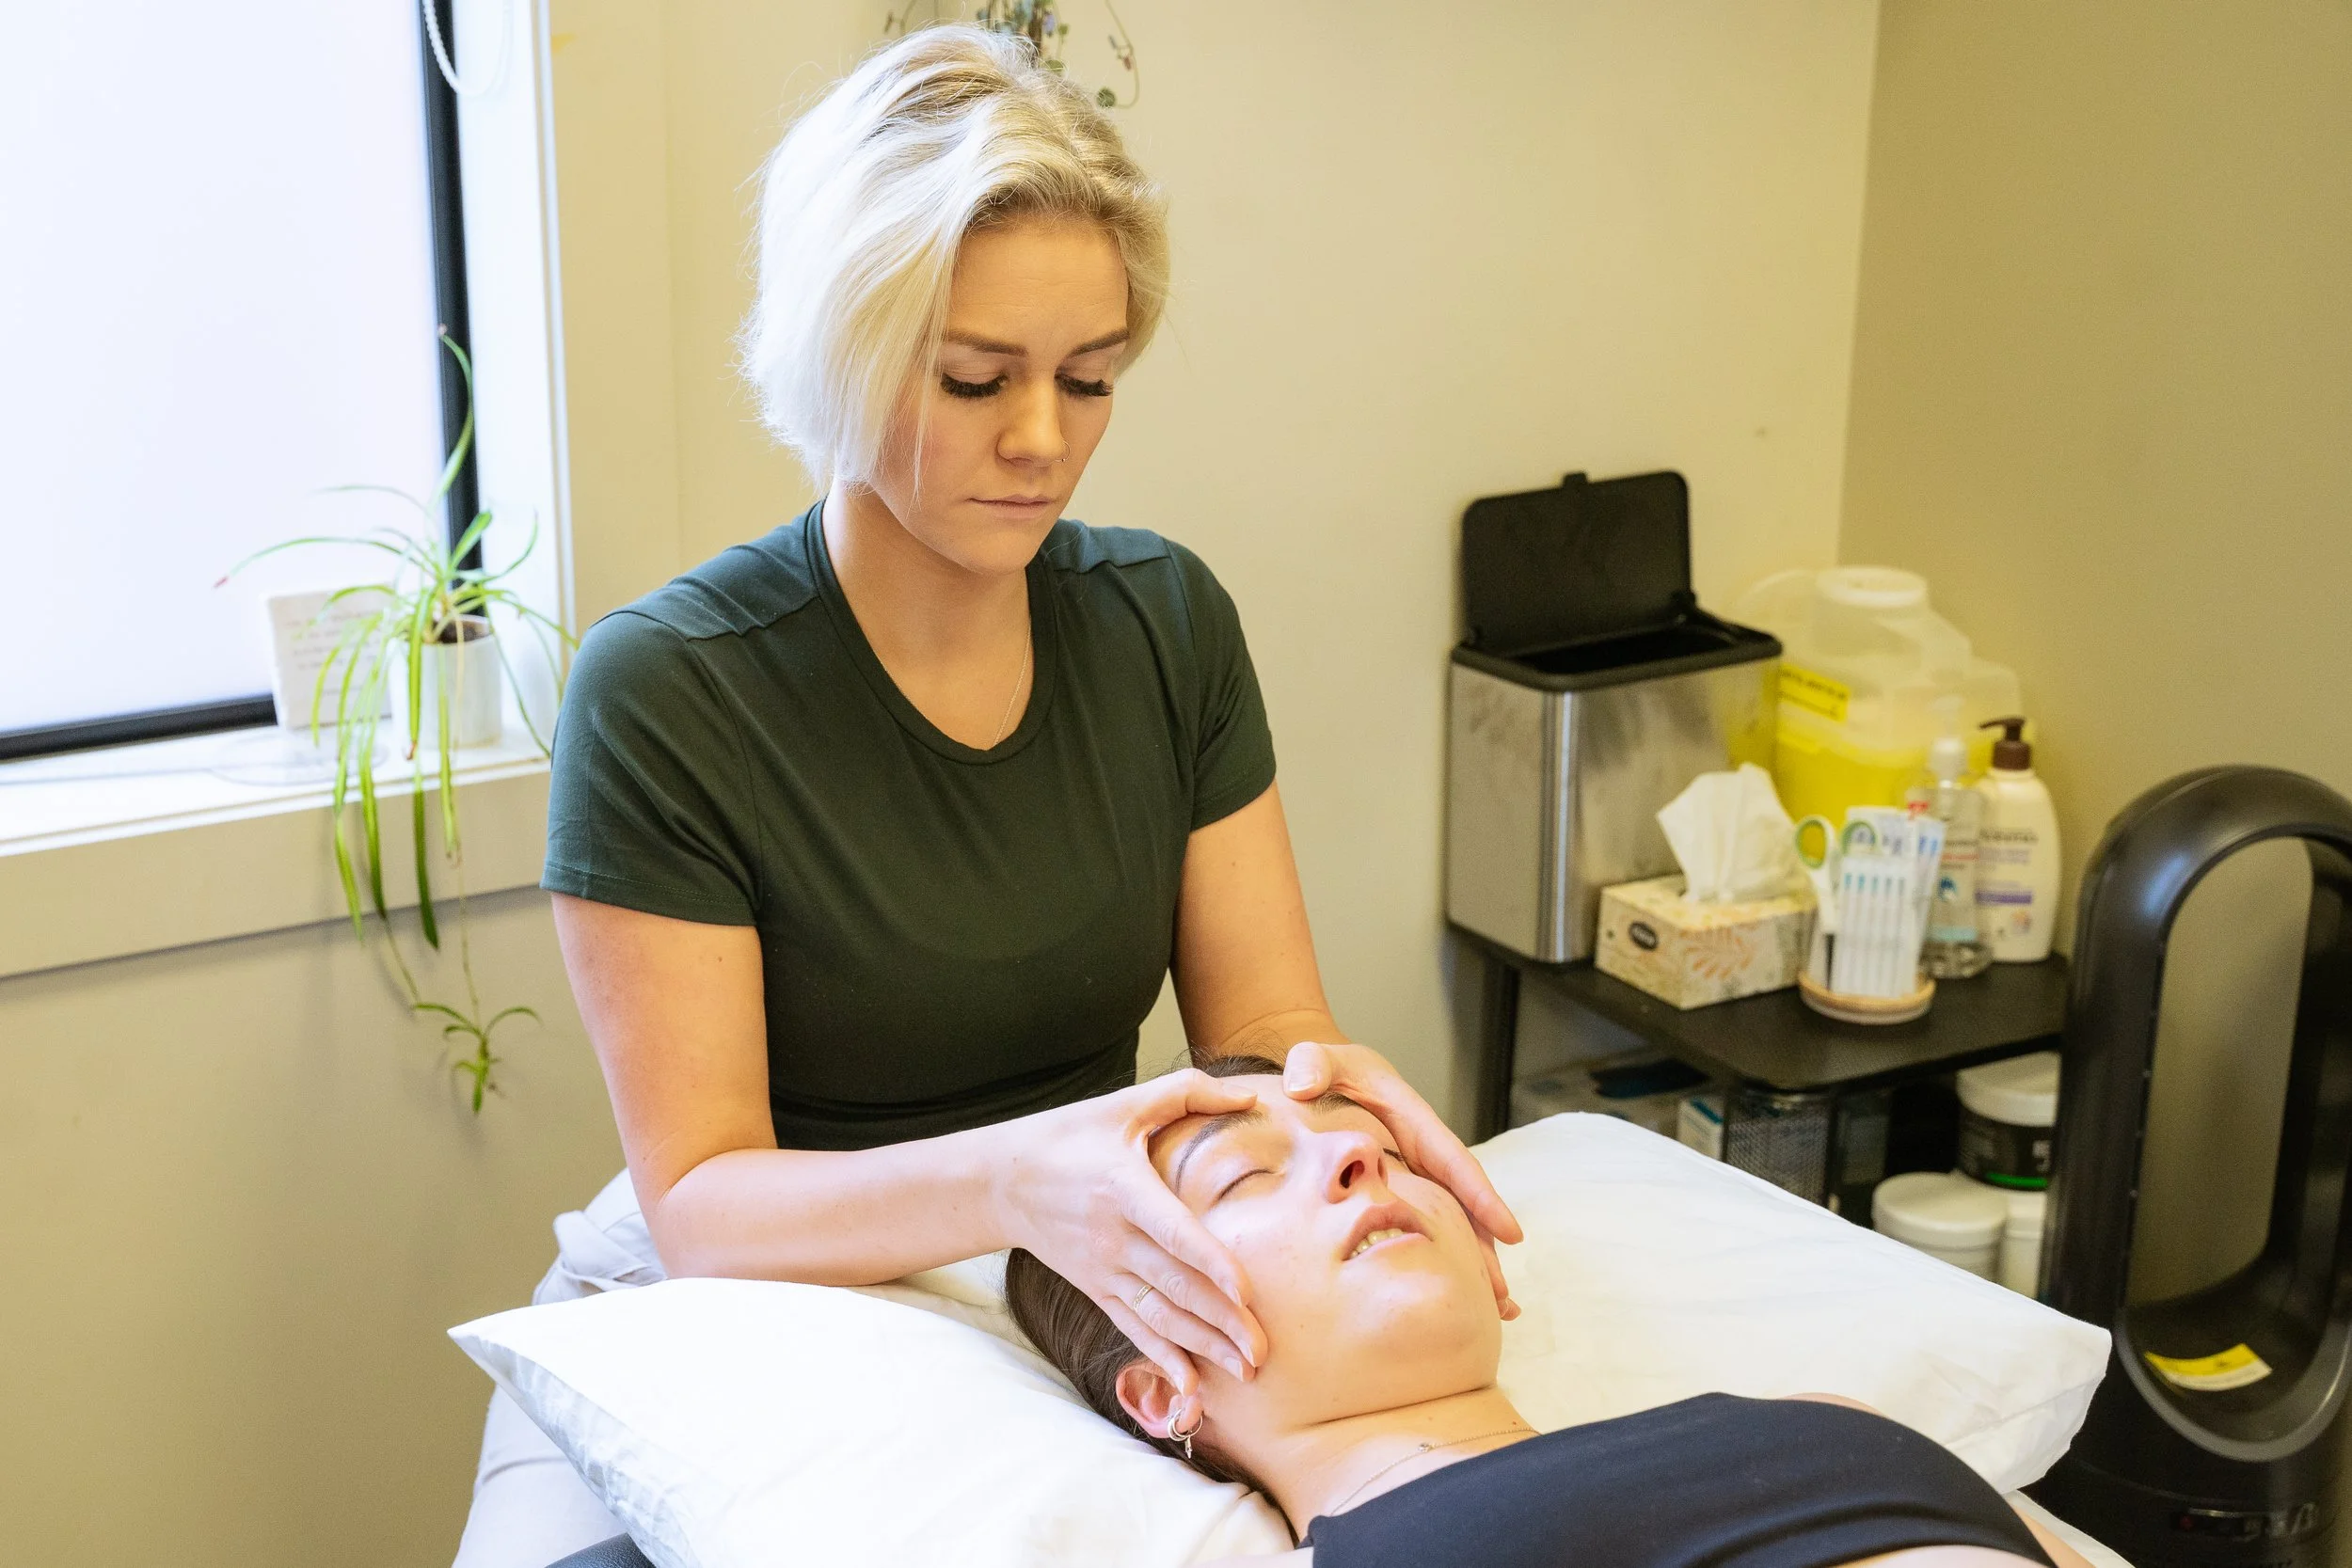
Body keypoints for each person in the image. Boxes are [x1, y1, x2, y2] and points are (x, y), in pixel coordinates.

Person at [452, 27, 1518, 1567]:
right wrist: (1020, 1178)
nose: (1042, 440)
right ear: (844, 347)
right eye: (973, 379)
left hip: (1066, 1278)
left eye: (1089, 379)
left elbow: (1254, 1038)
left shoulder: (1164, 623)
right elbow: (705, 1200)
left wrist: (1326, 1090)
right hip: (742, 1302)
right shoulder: (674, 688)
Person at [1008, 1055, 2100, 1568]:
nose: (1354, 1151)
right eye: (1241, 1177)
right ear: (1161, 1385)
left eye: (1383, 1149)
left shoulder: (1820, 1412)